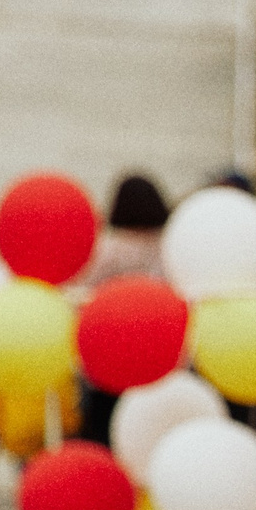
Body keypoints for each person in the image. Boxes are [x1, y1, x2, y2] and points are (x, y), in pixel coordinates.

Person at [76, 174, 166, 447]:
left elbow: (84, 295)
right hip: (159, 354)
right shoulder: (165, 246)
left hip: (110, 357)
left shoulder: (107, 248)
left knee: (108, 433)